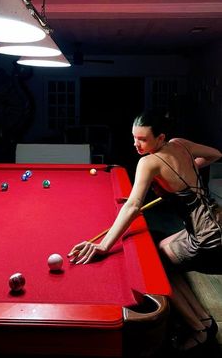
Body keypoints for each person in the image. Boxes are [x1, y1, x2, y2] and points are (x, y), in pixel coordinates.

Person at [68, 109, 222, 352]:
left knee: (157, 265)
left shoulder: (149, 162)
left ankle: (200, 329)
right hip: (216, 222)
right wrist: (184, 178)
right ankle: (202, 319)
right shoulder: (180, 144)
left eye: (143, 139)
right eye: (134, 138)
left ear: (160, 138)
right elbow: (215, 154)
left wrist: (104, 245)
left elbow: (132, 205)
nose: (137, 144)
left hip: (208, 241)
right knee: (160, 247)